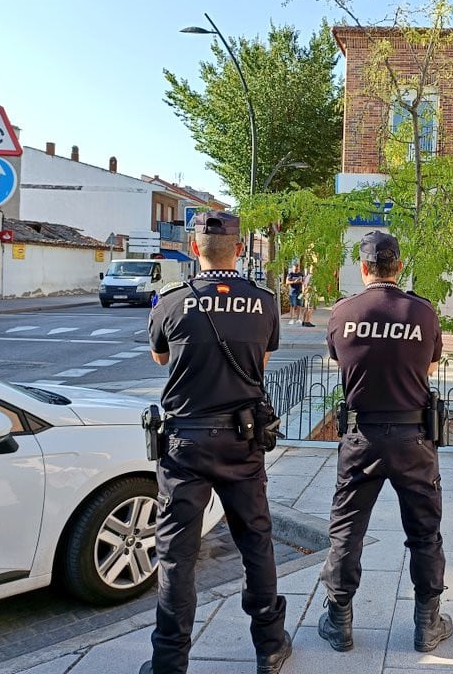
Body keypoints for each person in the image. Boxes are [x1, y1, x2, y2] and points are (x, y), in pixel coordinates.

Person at [142, 210, 292, 674]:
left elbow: (159, 356)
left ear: (193, 250)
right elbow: (261, 361)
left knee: (176, 555)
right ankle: (269, 647)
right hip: (241, 440)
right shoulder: (263, 301)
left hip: (184, 443)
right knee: (256, 542)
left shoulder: (170, 301)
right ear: (241, 250)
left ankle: (169, 662)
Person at [318, 230, 451, 654]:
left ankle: (339, 622)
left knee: (347, 531)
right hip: (414, 437)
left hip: (363, 436)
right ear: (399, 266)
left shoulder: (343, 313)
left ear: (363, 268)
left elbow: (340, 362)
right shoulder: (423, 312)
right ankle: (427, 624)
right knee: (424, 532)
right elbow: (430, 366)